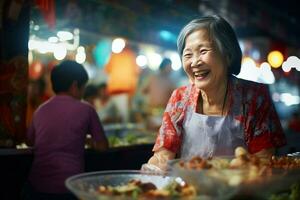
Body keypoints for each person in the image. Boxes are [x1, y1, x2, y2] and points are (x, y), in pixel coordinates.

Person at [142, 15, 286, 172]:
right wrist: (152, 169)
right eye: (188, 54)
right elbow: (163, 156)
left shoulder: (254, 97)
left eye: (203, 51)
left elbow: (264, 161)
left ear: (228, 55)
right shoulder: (180, 98)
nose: (195, 62)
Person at [23, 60, 109, 200]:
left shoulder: (40, 110)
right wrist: (87, 140)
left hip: (37, 187)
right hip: (70, 187)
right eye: (83, 88)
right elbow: (103, 146)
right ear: (75, 86)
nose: (83, 93)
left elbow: (29, 141)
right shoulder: (86, 109)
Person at [142, 58, 176, 130]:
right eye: (169, 66)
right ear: (164, 66)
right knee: (151, 133)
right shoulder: (153, 78)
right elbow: (143, 91)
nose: (171, 69)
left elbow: (175, 97)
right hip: (151, 111)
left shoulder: (170, 81)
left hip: (164, 112)